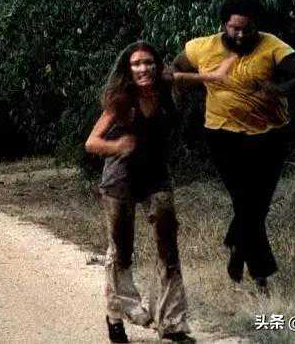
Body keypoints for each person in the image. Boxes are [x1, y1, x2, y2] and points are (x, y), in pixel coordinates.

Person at [85, 41, 232, 343]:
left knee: (168, 248)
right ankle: (116, 315)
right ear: (128, 69)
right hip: (120, 178)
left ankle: (172, 323)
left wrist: (223, 67)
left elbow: (198, 77)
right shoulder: (120, 100)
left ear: (157, 65)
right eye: (136, 64)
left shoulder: (165, 84)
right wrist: (116, 146)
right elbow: (91, 143)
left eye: (148, 62)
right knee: (121, 250)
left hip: (156, 176)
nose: (143, 69)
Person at [172, 0, 295, 295]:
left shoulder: (273, 46)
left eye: (247, 28)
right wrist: (178, 96)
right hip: (222, 134)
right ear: (224, 24)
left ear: (256, 25)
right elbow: (175, 70)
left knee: (257, 202)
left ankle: (236, 244)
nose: (241, 34)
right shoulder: (201, 47)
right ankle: (261, 275)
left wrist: (277, 89)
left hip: (269, 134)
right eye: (235, 28)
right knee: (244, 201)